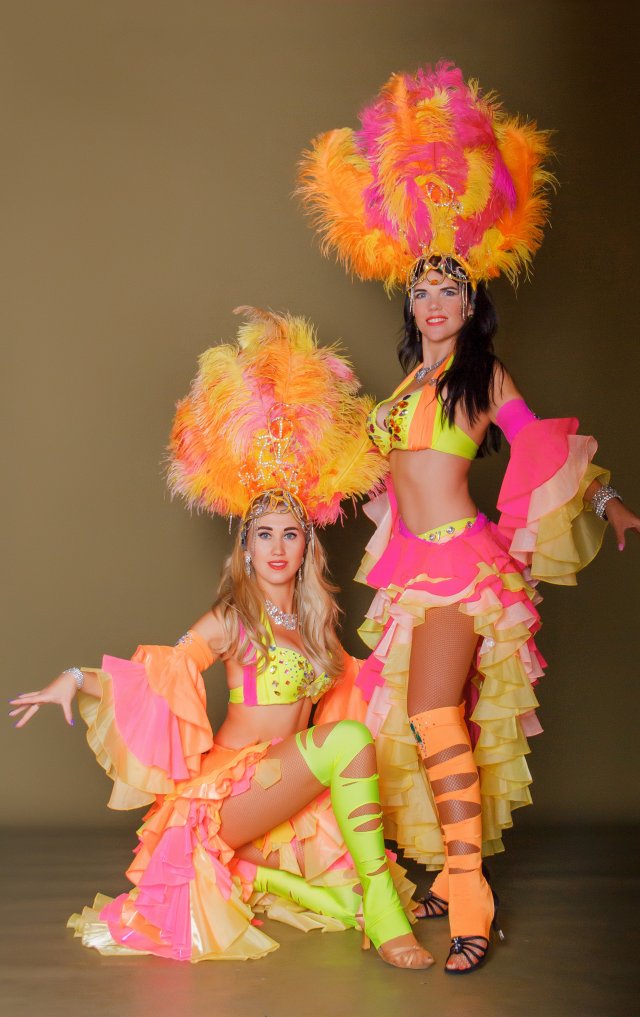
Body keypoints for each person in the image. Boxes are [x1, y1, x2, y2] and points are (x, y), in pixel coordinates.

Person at [298, 62, 640, 973]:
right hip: (407, 571)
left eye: (450, 292)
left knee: (434, 710)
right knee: (415, 721)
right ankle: (442, 869)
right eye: (422, 292)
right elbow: (369, 475)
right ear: (412, 304)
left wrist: (612, 502)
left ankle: (470, 896)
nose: (434, 304)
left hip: (465, 567)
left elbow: (542, 445)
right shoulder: (404, 387)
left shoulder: (482, 378)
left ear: (472, 305)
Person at [9, 308, 433, 969]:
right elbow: (160, 675)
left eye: (289, 534)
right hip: (229, 796)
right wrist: (75, 678)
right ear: (246, 546)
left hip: (282, 787)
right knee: (348, 740)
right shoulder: (234, 617)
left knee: (351, 774)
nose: (277, 547)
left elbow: (364, 689)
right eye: (263, 534)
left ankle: (285, 884)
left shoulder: (317, 622)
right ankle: (383, 914)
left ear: (307, 546)